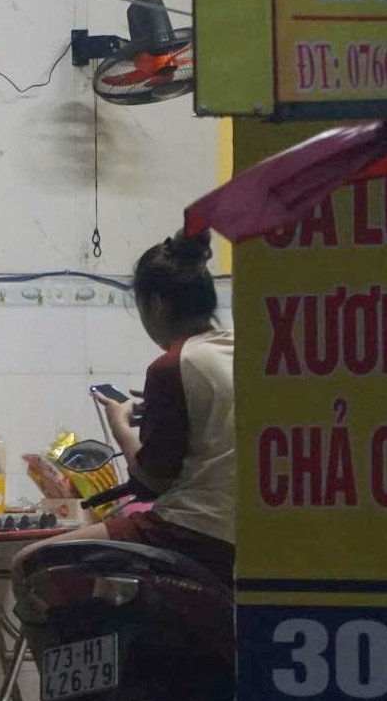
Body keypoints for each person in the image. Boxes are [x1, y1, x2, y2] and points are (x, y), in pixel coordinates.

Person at [16, 231, 235, 583]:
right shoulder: (242, 352)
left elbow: (153, 480)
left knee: (32, 564)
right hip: (246, 537)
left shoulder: (173, 365)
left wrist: (118, 422)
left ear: (157, 305)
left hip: (191, 531)